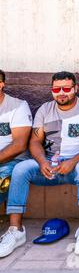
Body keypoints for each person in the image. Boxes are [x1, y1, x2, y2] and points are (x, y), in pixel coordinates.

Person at [0, 71, 79, 257]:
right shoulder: (45, 109)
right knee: (21, 169)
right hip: (48, 165)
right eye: (57, 89)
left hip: (77, 163)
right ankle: (16, 231)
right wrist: (41, 161)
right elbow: (34, 142)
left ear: (75, 88)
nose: (61, 92)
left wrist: (73, 161)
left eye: (66, 88)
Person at [0, 70, 33, 206]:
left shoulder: (17, 106)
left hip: (11, 161)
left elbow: (20, 144)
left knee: (3, 179)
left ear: (1, 84)